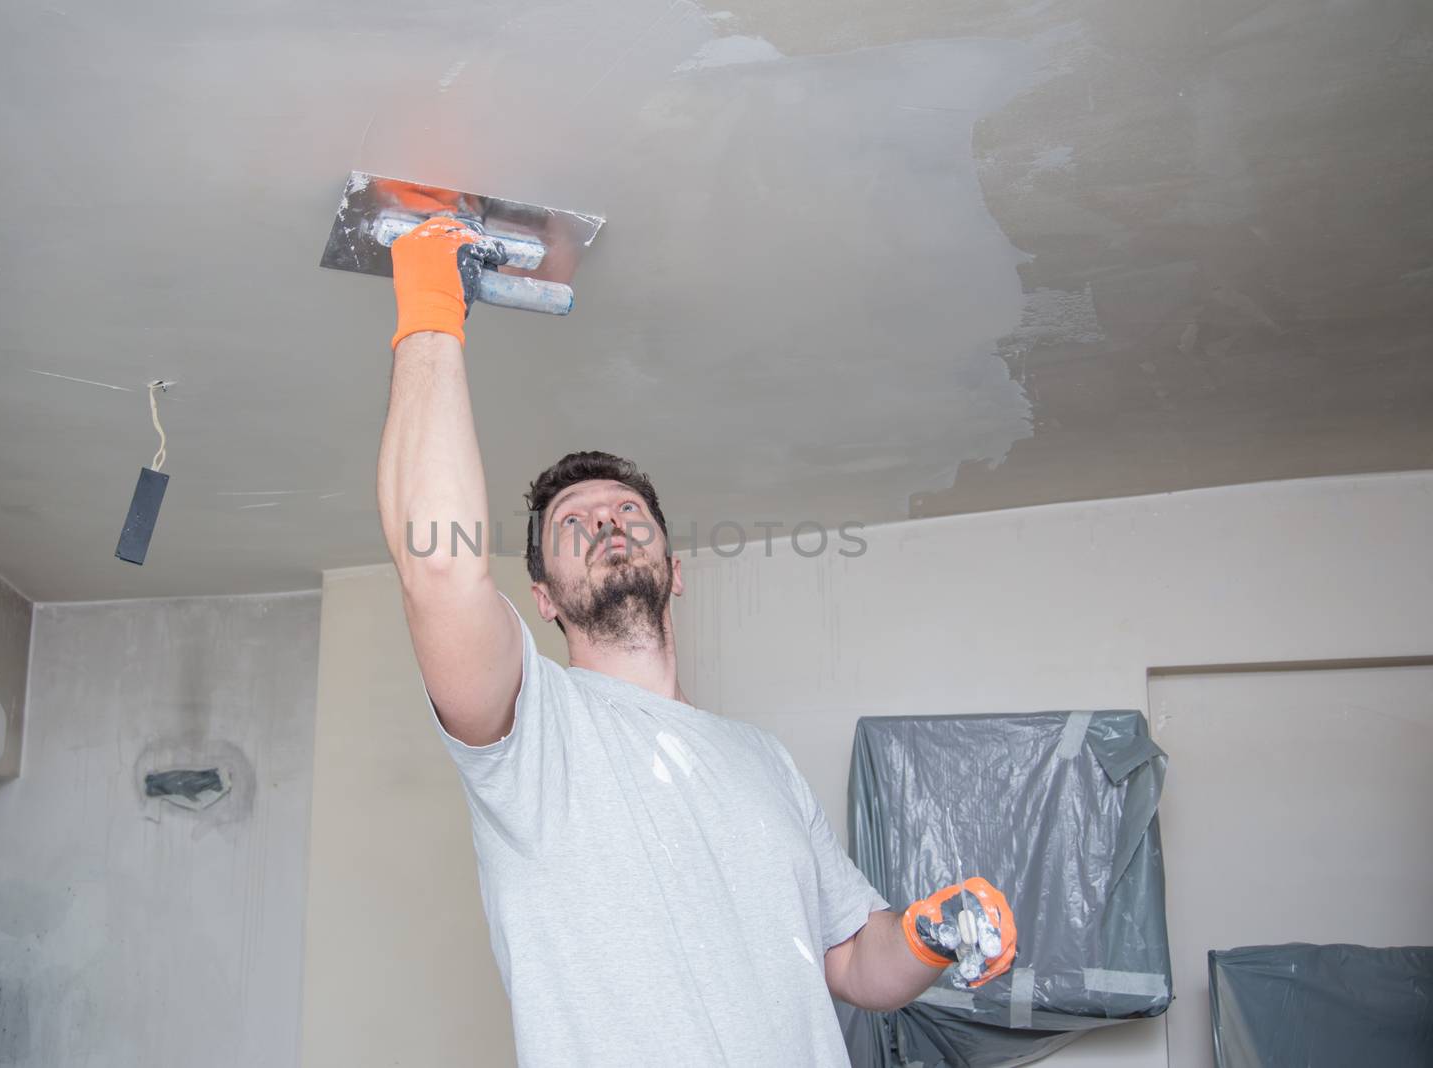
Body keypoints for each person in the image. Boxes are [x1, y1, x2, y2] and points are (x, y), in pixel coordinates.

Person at [375, 217, 1017, 1067]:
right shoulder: (530, 729)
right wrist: (429, 304)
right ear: (542, 598)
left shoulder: (763, 761)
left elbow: (856, 961)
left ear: (674, 570)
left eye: (628, 514)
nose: (607, 520)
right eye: (575, 522)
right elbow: (437, 569)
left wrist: (931, 934)